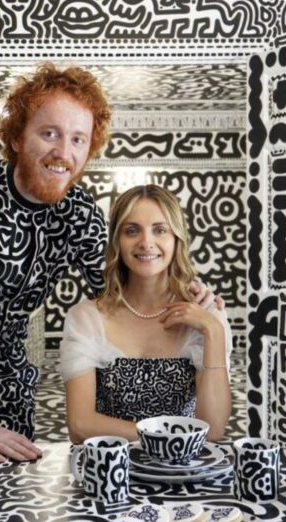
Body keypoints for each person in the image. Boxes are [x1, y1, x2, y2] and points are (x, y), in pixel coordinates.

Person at [0, 65, 218, 520]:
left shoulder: (78, 212)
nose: (64, 152)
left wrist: (192, 296)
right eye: (50, 134)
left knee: (8, 501)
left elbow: (119, 288)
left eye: (78, 139)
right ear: (17, 137)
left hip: (5, 372)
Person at [60, 185, 232, 444]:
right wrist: (172, 439)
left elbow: (214, 428)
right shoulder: (86, 318)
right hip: (111, 466)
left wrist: (214, 330)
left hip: (181, 467)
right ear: (117, 241)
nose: (146, 242)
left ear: (176, 238)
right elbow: (80, 426)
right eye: (132, 230)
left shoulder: (205, 315)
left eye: (160, 230)